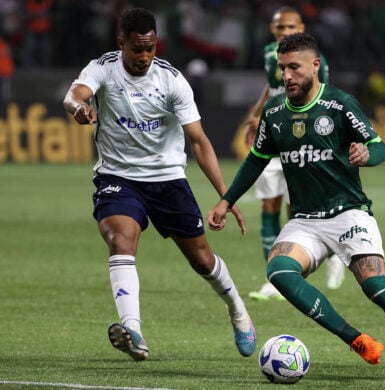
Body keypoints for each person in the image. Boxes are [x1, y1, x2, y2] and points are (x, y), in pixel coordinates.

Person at [208, 32, 385, 383]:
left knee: (375, 286)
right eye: (282, 68)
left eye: (294, 67)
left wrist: (366, 155)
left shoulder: (340, 104)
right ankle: (355, 339)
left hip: (349, 213)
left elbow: (379, 146)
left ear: (315, 66)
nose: (287, 76)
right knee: (279, 272)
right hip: (305, 221)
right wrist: (226, 201)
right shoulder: (274, 112)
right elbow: (255, 161)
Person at [62, 7, 256, 362]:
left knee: (201, 260)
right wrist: (78, 108)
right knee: (121, 238)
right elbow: (74, 94)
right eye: (137, 49)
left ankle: (237, 310)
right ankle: (132, 330)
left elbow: (198, 142)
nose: (145, 57)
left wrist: (226, 197)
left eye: (151, 48)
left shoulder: (171, 80)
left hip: (167, 180)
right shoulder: (103, 67)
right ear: (122, 43)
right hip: (118, 177)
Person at [243, 6, 345, 301]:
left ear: (301, 27)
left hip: (297, 138)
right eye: (279, 28)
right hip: (272, 132)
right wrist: (256, 112)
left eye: (290, 28)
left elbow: (323, 94)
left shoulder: (317, 61)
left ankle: (326, 257)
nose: (284, 33)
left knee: (296, 209)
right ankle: (273, 278)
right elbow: (273, 85)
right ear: (273, 30)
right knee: (268, 206)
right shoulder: (268, 55)